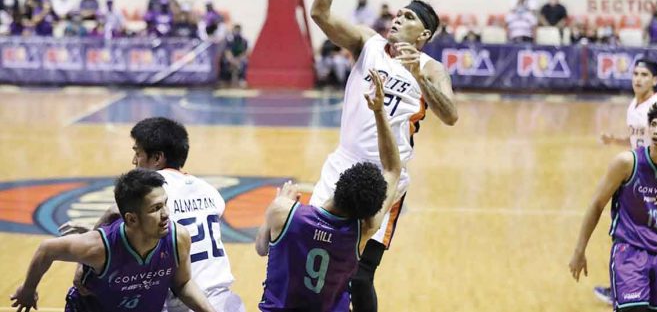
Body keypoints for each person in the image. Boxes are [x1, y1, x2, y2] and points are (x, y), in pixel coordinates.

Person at [310, 0, 458, 311]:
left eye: (408, 17)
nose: (398, 18)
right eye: (399, 13)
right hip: (343, 164)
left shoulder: (431, 68)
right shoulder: (368, 43)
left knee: (359, 274)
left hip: (386, 175)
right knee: (314, 254)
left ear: (423, 35)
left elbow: (450, 115)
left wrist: (420, 76)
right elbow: (320, 14)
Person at [60, 118, 246, 312]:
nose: (134, 161)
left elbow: (114, 212)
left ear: (157, 158)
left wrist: (84, 260)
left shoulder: (152, 191)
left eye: (138, 153)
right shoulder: (210, 191)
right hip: (225, 300)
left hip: (186, 302)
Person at [256, 69, 400, 311]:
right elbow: (393, 170)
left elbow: (261, 248)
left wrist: (279, 202)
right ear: (369, 211)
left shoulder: (285, 212)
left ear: (339, 181)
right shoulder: (363, 230)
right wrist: (379, 111)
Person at [12, 168, 217, 312]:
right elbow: (46, 249)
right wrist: (28, 290)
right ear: (132, 219)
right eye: (155, 209)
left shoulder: (178, 237)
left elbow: (182, 284)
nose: (166, 214)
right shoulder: (100, 248)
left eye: (165, 204)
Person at [570, 102, 657, 312]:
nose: (656, 130)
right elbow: (596, 204)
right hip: (628, 252)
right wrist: (579, 250)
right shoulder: (627, 163)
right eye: (653, 124)